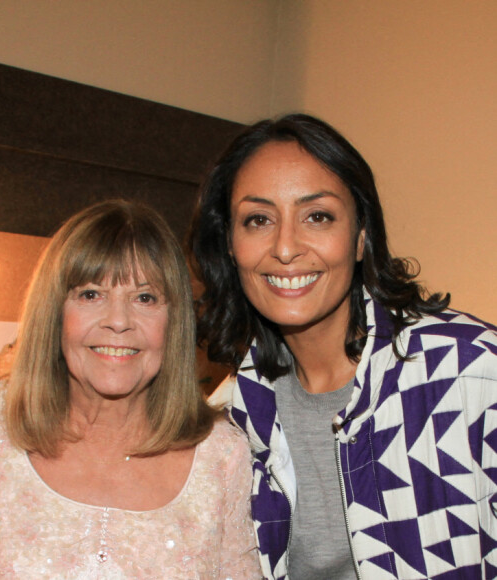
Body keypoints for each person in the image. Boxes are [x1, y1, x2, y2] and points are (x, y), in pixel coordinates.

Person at [188, 113, 497, 579]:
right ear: (231, 246)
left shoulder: (470, 371)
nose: (286, 247)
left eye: (317, 216)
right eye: (258, 219)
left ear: (360, 237)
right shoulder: (231, 419)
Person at [0, 200, 261, 579]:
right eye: (91, 294)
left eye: (145, 298)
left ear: (174, 320)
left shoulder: (221, 455)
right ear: (55, 312)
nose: (118, 321)